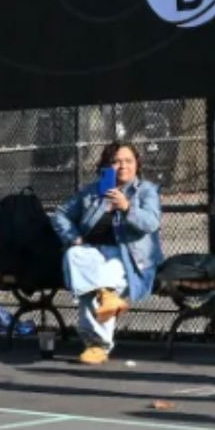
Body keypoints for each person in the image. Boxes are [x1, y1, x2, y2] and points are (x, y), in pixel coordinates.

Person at [51, 141, 164, 364]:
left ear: (137, 165)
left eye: (128, 161)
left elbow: (151, 222)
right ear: (106, 165)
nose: (123, 166)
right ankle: (107, 297)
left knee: (93, 287)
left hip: (130, 258)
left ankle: (97, 344)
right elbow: (59, 215)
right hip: (93, 253)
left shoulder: (146, 191)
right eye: (116, 161)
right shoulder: (93, 192)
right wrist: (74, 237)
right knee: (74, 255)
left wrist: (127, 207)